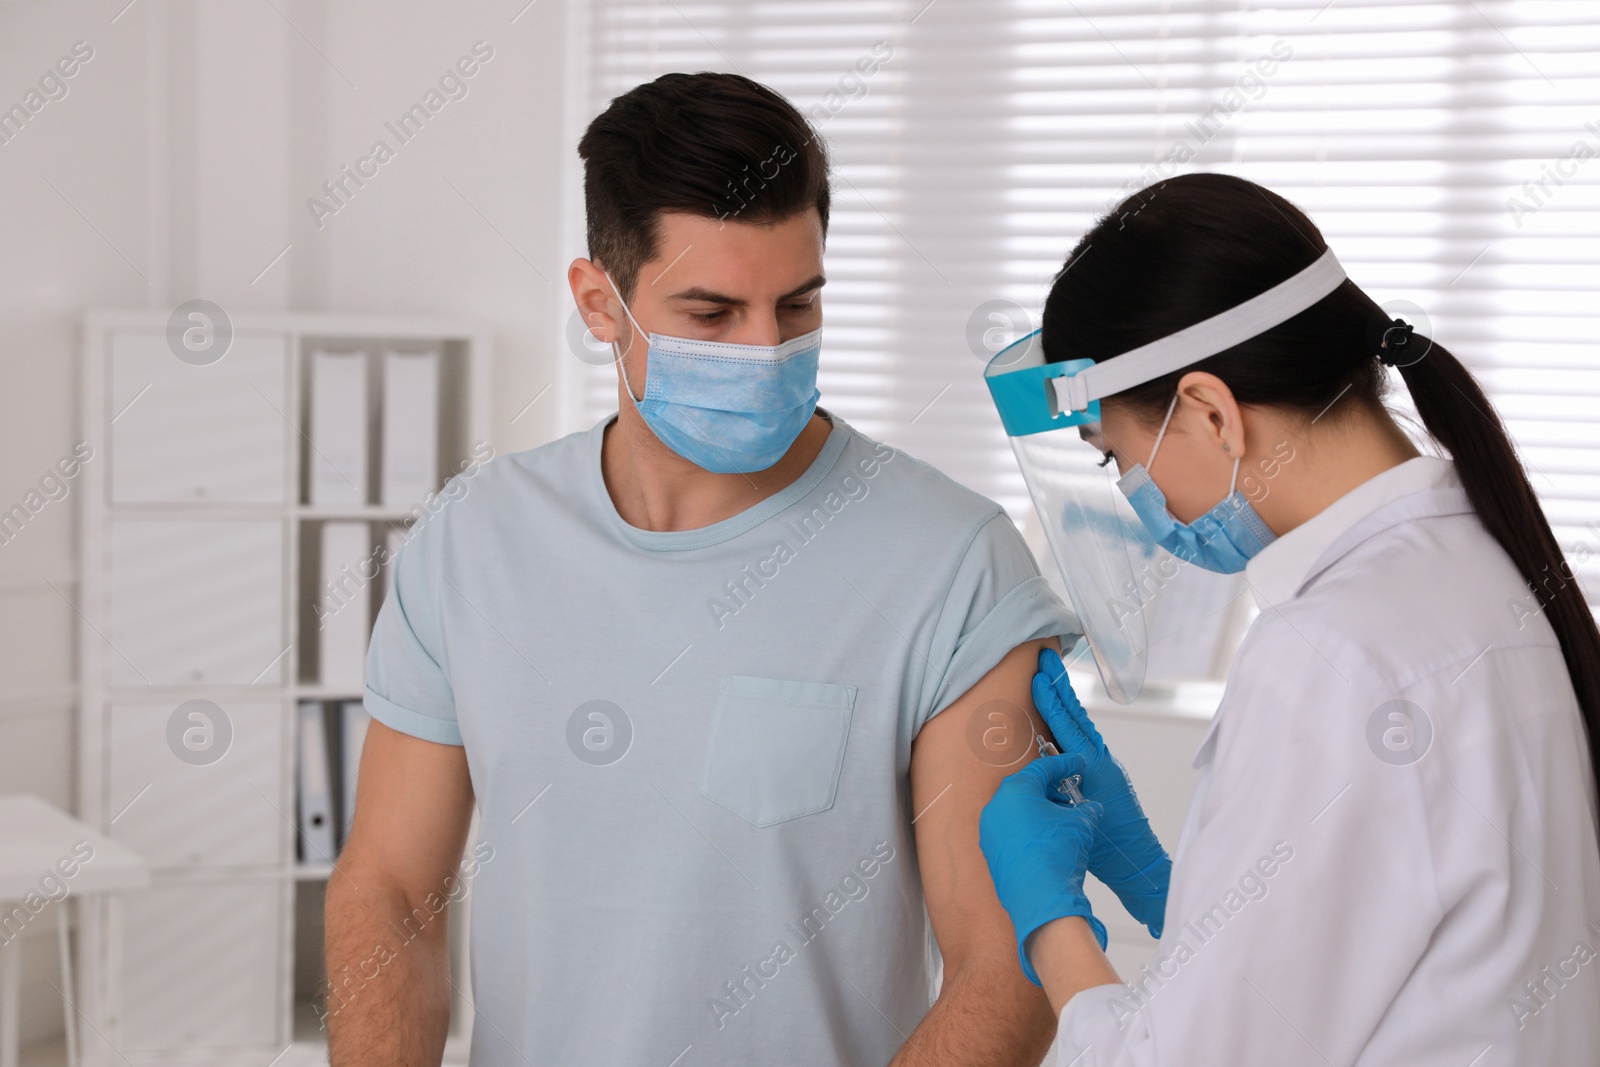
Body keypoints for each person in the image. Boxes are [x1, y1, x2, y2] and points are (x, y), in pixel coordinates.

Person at [325, 72, 1082, 1066]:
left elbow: (1009, 961)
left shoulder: (952, 563)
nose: (766, 349)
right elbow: (387, 884)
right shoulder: (473, 539)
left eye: (797, 305)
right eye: (712, 312)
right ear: (600, 304)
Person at [976, 172, 1600, 1064]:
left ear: (1207, 411)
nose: (1135, 498)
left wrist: (1049, 920)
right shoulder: (1486, 566)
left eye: (1118, 459)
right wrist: (1172, 888)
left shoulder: (1327, 654)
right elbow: (1394, 919)